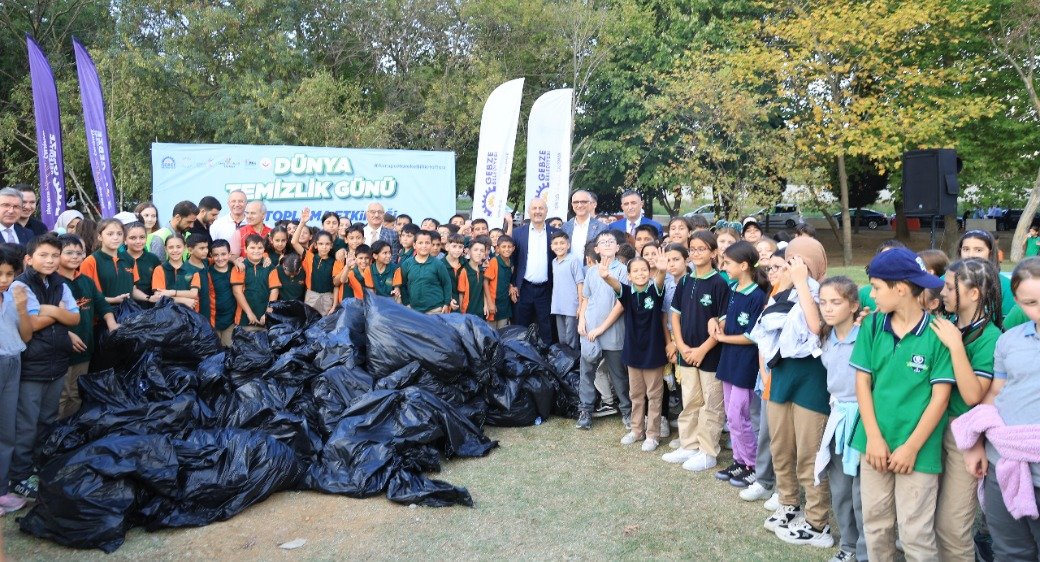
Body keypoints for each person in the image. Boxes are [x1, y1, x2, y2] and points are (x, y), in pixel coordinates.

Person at [850, 247, 953, 560]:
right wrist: (875, 438)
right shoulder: (871, 326)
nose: (871, 294)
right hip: (874, 445)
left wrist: (910, 447)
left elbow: (940, 397)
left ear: (901, 289)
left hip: (918, 451)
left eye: (877, 287)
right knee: (876, 526)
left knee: (915, 534)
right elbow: (863, 383)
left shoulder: (938, 334)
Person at [952, 257, 1040, 560]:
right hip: (1004, 464)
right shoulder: (1010, 340)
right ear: (1016, 301)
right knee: (1009, 551)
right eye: (1030, 302)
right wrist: (976, 442)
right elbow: (995, 395)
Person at [751, 236, 834, 548]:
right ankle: (788, 504)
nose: (786, 269)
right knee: (781, 447)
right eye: (787, 263)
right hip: (782, 376)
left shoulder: (826, 292)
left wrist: (801, 283)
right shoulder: (779, 294)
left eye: (793, 263)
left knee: (810, 454)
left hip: (812, 380)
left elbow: (816, 328)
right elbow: (765, 332)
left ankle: (817, 521)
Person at [930, 258, 1002, 562]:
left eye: (949, 286)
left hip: (963, 435)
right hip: (930, 428)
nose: (943, 292)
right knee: (926, 518)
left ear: (974, 294)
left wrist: (957, 346)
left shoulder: (990, 338)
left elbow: (974, 395)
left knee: (952, 526)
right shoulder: (941, 323)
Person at [8, 235, 80, 501]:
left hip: (56, 363)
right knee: (26, 424)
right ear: (29, 259)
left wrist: (48, 311)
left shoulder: (60, 283)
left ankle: (38, 467)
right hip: (31, 366)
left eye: (53, 256)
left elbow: (74, 317)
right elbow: (30, 325)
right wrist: (56, 313)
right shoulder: (21, 286)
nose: (50, 260)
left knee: (48, 420)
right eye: (43, 255)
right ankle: (20, 475)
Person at [662, 232, 729, 473]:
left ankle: (708, 451)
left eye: (702, 249)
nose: (697, 253)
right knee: (690, 400)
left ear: (714, 253)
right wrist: (679, 345)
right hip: (686, 353)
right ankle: (688, 444)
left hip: (709, 354)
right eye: (693, 248)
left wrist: (702, 350)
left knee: (710, 403)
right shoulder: (686, 281)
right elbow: (675, 315)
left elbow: (721, 324)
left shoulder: (720, 283)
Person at [814, 276, 867, 562]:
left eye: (836, 302)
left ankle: (866, 551)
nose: (828, 308)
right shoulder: (826, 336)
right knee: (841, 489)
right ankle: (847, 545)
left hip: (863, 418)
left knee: (862, 493)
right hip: (838, 419)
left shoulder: (867, 336)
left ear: (854, 305)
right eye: (823, 302)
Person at [712, 241, 768, 488]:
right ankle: (740, 460)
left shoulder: (757, 296)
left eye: (728, 263)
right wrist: (716, 323)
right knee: (730, 413)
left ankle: (754, 465)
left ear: (744, 265)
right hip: (729, 360)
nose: (724, 267)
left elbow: (753, 335)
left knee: (739, 414)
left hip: (745, 363)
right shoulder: (733, 288)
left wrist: (722, 338)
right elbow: (724, 317)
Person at [601, 251, 669, 451]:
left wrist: (662, 271)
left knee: (654, 395)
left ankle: (653, 435)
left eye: (644, 270)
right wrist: (606, 276)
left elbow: (659, 281)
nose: (640, 274)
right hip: (633, 351)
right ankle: (636, 429)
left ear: (650, 272)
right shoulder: (628, 293)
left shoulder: (655, 290)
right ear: (629, 276)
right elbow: (615, 285)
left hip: (653, 351)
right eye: (635, 271)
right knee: (636, 394)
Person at [55, 233, 118, 418]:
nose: (75, 256)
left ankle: (70, 434)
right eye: (69, 252)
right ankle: (53, 437)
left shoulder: (86, 281)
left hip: (85, 348)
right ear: (57, 254)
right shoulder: (53, 283)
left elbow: (102, 304)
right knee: (61, 396)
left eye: (79, 252)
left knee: (76, 394)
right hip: (62, 350)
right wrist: (66, 334)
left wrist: (111, 323)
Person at [575, 231, 630, 431]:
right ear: (596, 249)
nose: (607, 244)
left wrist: (601, 328)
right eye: (602, 242)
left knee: (618, 374)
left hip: (612, 331)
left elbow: (621, 304)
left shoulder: (623, 270)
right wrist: (582, 320)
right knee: (587, 371)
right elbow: (586, 299)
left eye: (611, 241)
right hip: (589, 331)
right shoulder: (591, 271)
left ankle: (627, 411)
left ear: (617, 247)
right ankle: (585, 411)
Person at [0, 244, 32, 514]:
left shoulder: (13, 297)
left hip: (13, 362)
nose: (4, 280)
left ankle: (1, 491)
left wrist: (22, 309)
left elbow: (27, 336)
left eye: (9, 274)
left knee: (6, 431)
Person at [511, 197, 559, 343]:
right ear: (528, 212)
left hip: (546, 288)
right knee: (520, 326)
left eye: (541, 208)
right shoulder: (518, 233)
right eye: (534, 208)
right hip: (523, 288)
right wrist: (512, 284)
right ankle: (519, 358)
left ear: (546, 211)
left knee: (546, 326)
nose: (537, 211)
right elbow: (513, 260)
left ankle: (547, 360)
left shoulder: (555, 233)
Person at [79, 219, 146, 305]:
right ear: (100, 236)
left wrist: (149, 298)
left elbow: (133, 290)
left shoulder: (129, 259)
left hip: (129, 314)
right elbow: (86, 296)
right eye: (110, 234)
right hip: (102, 314)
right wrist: (113, 300)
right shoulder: (90, 261)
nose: (115, 237)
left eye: (119, 234)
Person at [958, 229, 1013, 317]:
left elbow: (1009, 326)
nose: (970, 255)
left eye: (978, 250)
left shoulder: (1005, 285)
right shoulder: (946, 280)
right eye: (966, 249)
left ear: (990, 253)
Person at [231, 234, 280, 330]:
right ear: (245, 249)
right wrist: (249, 313)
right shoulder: (239, 267)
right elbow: (237, 292)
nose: (256, 251)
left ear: (264, 249)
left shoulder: (270, 267)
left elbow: (274, 291)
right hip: (244, 319)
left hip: (264, 319)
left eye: (260, 248)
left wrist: (267, 313)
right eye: (252, 248)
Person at [399, 230, 451, 314]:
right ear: (414, 245)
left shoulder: (438, 264)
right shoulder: (407, 264)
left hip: (435, 309)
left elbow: (446, 283)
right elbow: (403, 285)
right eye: (420, 243)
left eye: (427, 243)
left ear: (431, 245)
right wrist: (406, 303)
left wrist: (446, 303)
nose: (424, 246)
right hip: (413, 310)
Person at [293, 217, 336, 314]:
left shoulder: (334, 261)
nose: (324, 247)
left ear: (331, 245)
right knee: (310, 323)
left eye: (327, 244)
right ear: (315, 245)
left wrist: (334, 304)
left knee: (325, 324)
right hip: (311, 296)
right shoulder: (310, 257)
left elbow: (337, 284)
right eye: (321, 244)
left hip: (328, 297)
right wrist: (302, 223)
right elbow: (294, 242)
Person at [150, 234, 201, 309]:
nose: (175, 250)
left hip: (190, 314)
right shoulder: (159, 269)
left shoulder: (193, 270)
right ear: (165, 249)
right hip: (166, 315)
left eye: (178, 247)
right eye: (171, 247)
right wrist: (183, 300)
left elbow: (193, 293)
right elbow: (159, 297)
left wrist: (171, 293)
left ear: (185, 247)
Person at [550, 231, 582, 349]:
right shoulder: (554, 262)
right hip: (558, 305)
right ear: (552, 246)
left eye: (562, 243)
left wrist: (580, 305)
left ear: (568, 245)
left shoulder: (573, 260)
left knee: (571, 337)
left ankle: (573, 362)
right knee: (562, 337)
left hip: (571, 305)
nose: (559, 246)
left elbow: (580, 283)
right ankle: (564, 361)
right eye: (556, 243)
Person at [561, 190, 607, 259]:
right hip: (569, 269)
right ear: (572, 205)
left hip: (593, 269)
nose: (579, 205)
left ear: (590, 204)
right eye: (576, 202)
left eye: (584, 202)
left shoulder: (602, 228)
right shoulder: (565, 228)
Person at [123, 221, 161, 304]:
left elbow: (159, 283)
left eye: (142, 237)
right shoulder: (119, 259)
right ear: (124, 240)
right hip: (127, 306)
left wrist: (156, 295)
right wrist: (148, 298)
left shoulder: (153, 258)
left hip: (151, 305)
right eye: (133, 238)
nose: (138, 241)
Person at [207, 239, 236, 346]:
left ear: (229, 254)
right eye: (216, 255)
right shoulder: (208, 272)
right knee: (215, 348)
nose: (220, 258)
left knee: (229, 347)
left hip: (230, 320)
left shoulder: (235, 269)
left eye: (223, 254)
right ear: (211, 255)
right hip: (213, 320)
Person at [485, 235, 516, 328]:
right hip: (493, 301)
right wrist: (490, 303)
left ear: (513, 248)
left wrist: (511, 287)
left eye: (509, 247)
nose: (507, 249)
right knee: (491, 332)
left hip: (505, 303)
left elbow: (507, 279)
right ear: (497, 249)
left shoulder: (511, 263)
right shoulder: (494, 261)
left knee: (502, 331)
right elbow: (485, 282)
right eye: (504, 246)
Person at [208, 190, 247, 256]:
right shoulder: (217, 224)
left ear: (246, 203)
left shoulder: (252, 223)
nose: (237, 204)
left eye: (240, 201)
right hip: (223, 264)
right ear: (228, 203)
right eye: (233, 201)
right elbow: (212, 247)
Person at [186, 235, 213, 323]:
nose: (206, 251)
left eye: (206, 247)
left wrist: (235, 261)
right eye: (201, 248)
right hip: (195, 314)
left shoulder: (205, 261)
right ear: (190, 250)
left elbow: (218, 259)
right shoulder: (185, 270)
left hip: (208, 310)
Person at [442, 234, 470, 313]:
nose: (457, 250)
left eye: (460, 247)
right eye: (454, 246)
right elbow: (439, 286)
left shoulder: (466, 263)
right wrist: (448, 300)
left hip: (465, 304)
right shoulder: (440, 264)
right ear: (447, 247)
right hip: (446, 304)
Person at [463, 238, 488, 317]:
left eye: (482, 251)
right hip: (466, 313)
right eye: (475, 250)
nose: (479, 253)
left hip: (480, 311)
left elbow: (483, 290)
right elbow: (461, 294)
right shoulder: (464, 269)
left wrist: (486, 305)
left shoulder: (482, 270)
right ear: (469, 252)